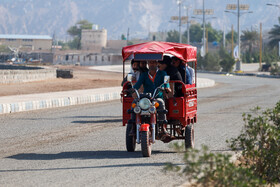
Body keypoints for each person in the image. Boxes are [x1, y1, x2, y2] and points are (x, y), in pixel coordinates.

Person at [131, 60, 171, 137]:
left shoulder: (163, 74)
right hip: (146, 98)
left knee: (161, 103)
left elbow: (167, 85)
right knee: (134, 103)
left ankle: (163, 128)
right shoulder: (144, 75)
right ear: (148, 64)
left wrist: (167, 88)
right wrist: (132, 89)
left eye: (153, 62)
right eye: (150, 63)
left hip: (157, 97)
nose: (151, 64)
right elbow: (137, 85)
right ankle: (133, 127)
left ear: (157, 64)